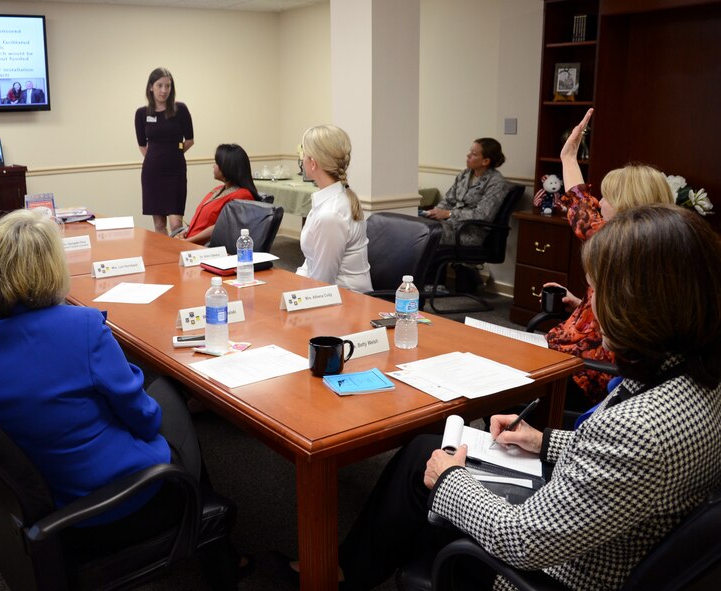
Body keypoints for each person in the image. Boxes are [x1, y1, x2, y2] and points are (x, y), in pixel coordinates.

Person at [273, 204, 720, 591]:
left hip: (553, 573)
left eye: (596, 289)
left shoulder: (641, 428)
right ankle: (348, 569)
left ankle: (341, 574)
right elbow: (617, 466)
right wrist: (541, 441)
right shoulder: (689, 375)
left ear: (637, 305)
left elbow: (523, 540)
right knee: (423, 449)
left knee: (433, 467)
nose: (591, 302)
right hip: (605, 527)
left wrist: (452, 479)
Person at [0, 209, 247, 585]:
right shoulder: (82, 329)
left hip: (33, 495)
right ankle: (210, 539)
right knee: (168, 391)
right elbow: (145, 420)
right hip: (113, 504)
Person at [543, 108, 674, 406]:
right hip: (587, 360)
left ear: (628, 204)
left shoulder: (619, 248)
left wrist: (568, 158)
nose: (599, 202)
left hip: (588, 374)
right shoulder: (661, 245)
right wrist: (584, 304)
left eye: (607, 197)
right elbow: (582, 206)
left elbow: (581, 209)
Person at [296, 124, 372, 292]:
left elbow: (322, 282)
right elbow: (311, 260)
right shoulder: (331, 199)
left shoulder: (330, 214)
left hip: (347, 301)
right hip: (331, 293)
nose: (302, 159)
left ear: (313, 163)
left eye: (304, 154)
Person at [135, 67, 194, 235]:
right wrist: (156, 158)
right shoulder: (141, 113)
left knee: (176, 224)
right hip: (152, 173)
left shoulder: (180, 109)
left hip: (175, 171)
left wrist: (174, 153)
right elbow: (142, 145)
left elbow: (189, 140)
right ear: (151, 87)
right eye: (160, 85)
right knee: (159, 224)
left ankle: (178, 256)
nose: (164, 90)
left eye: (168, 86)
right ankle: (166, 260)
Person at [421, 138, 508, 246]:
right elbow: (448, 200)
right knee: (418, 226)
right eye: (470, 151)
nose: (468, 155)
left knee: (425, 234)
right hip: (449, 225)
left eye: (474, 154)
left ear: (485, 161)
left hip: (468, 232)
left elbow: (483, 215)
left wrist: (449, 213)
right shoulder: (464, 175)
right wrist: (434, 212)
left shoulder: (496, 183)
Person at [175, 144, 257, 245]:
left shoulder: (242, 195)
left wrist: (187, 241)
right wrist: (185, 232)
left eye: (216, 163)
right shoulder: (218, 189)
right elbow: (202, 222)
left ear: (227, 167)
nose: (213, 166)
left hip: (205, 249)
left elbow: (221, 227)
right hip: (191, 243)